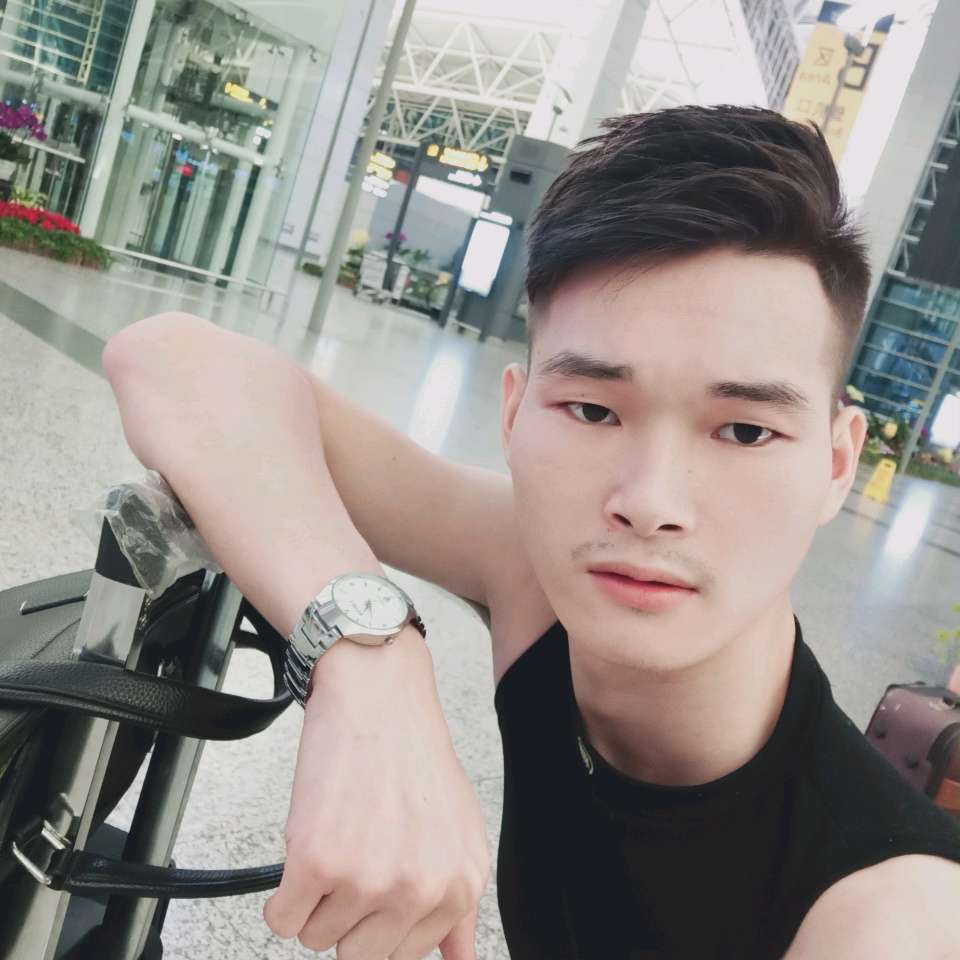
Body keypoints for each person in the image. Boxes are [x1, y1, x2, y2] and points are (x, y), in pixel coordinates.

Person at [101, 105, 960, 960]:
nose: (649, 503)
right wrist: (370, 662)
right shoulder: (532, 577)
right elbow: (175, 361)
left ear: (837, 463)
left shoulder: (888, 917)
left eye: (744, 430)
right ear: (514, 414)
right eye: (592, 410)